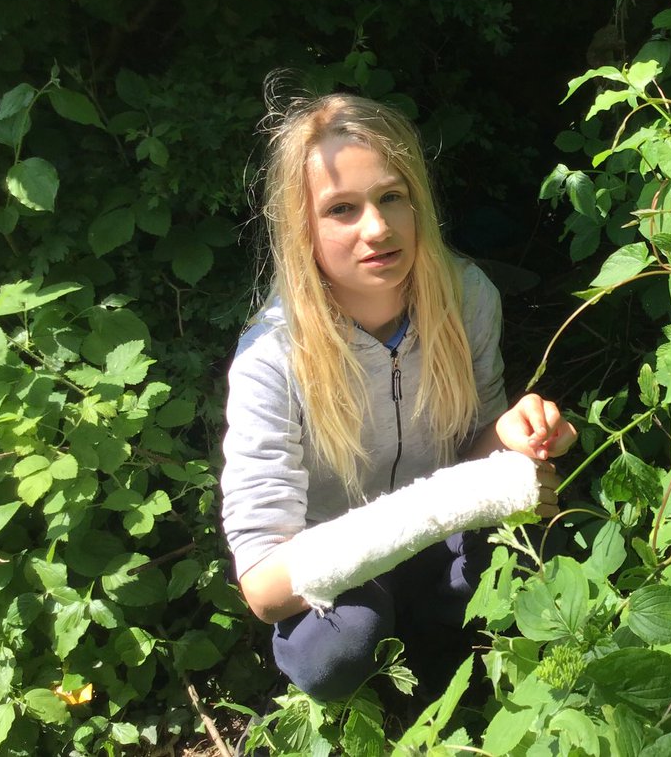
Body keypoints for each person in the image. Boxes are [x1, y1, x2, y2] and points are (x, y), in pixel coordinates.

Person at [220, 92, 576, 702]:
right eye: (341, 209)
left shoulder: (468, 298)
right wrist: (444, 503)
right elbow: (263, 586)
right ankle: (375, 690)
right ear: (303, 228)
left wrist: (515, 436)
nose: (378, 228)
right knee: (343, 644)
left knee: (552, 539)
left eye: (391, 197)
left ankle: (456, 667)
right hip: (345, 584)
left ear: (418, 203)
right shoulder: (270, 359)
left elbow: (476, 450)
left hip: (446, 555)